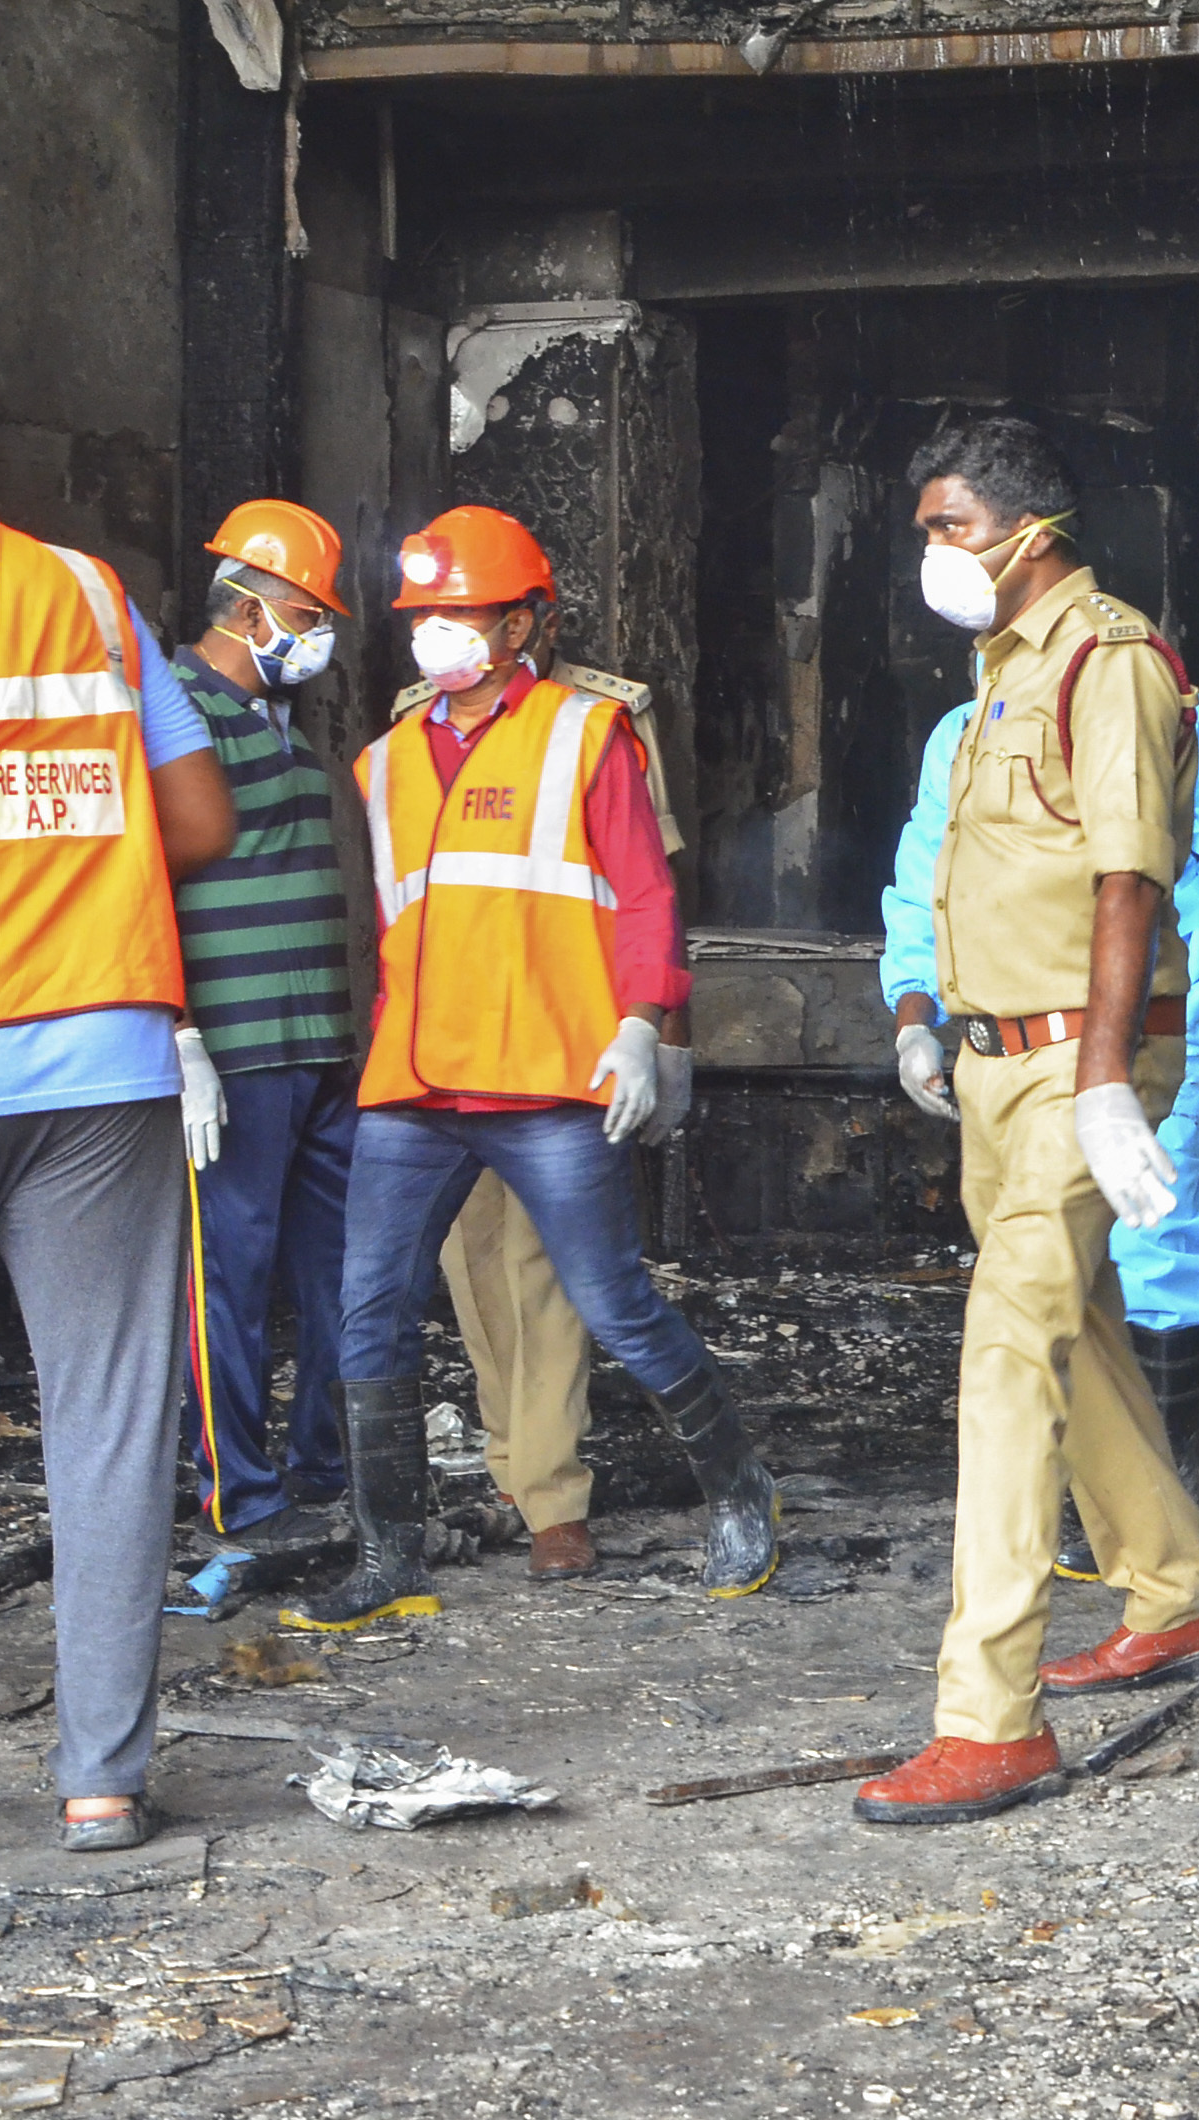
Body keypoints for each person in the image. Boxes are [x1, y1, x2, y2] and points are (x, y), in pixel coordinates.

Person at [0, 370, 236, 1850]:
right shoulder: (83, 585)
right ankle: (100, 1782)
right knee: (112, 1411)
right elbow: (198, 820)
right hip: (105, 1056)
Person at [855, 418, 1199, 1827]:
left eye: (946, 528)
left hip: (1071, 1066)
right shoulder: (998, 671)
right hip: (991, 1067)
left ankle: (989, 1719)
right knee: (1071, 1328)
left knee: (1006, 1356)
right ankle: (1179, 1593)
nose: (932, 556)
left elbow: (1127, 885)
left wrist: (1097, 1077)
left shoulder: (1107, 661)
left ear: (1029, 530)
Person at [288, 505, 768, 1633]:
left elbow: (647, 893)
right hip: (415, 1084)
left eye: (460, 613)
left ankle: (742, 1494)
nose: (437, 634)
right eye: (425, 616)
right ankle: (385, 1553)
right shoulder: (387, 759)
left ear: (520, 624)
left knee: (614, 1301)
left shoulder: (587, 733)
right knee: (371, 1314)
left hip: (548, 1077)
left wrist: (649, 1025)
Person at [885, 675, 1199, 1579]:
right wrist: (912, 1013)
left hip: (1164, 1022)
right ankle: (1148, 1536)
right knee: (1070, 1285)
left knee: (1136, 1246)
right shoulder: (966, 727)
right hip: (1009, 1035)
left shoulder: (1196, 721)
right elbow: (929, 874)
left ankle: (1142, 1530)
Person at [403, 653, 691, 1583]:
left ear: (524, 620)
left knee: (551, 1274)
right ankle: (510, 1468)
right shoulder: (416, 724)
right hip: (447, 1049)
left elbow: (652, 891)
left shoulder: (603, 720)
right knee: (472, 1265)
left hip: (562, 1044)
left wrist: (660, 1042)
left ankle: (553, 1495)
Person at [169, 501, 365, 1547]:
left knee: (343, 1274)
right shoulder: (174, 708)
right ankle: (237, 1493)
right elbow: (143, 878)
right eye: (304, 612)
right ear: (247, 609)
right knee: (230, 1282)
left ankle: (323, 1467)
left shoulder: (284, 715)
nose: (316, 634)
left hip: (319, 1042)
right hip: (238, 1051)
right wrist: (179, 1030)